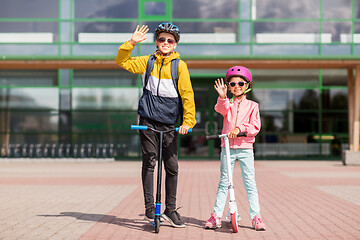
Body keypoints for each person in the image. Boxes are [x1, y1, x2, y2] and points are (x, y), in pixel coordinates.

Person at [115, 23, 196, 228]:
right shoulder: (147, 62)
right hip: (148, 121)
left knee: (172, 166)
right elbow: (122, 61)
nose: (166, 43)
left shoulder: (180, 66)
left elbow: (187, 95)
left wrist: (188, 122)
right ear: (156, 41)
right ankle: (150, 207)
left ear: (175, 43)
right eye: (162, 39)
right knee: (149, 162)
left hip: (169, 123)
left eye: (170, 40)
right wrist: (131, 42)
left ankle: (170, 209)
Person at [204, 66, 266, 231]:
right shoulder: (228, 104)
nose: (236, 86)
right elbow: (220, 109)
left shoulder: (253, 106)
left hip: (245, 148)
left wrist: (239, 130)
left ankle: (256, 216)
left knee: (249, 182)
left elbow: (255, 126)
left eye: (240, 83)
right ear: (228, 86)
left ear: (247, 85)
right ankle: (216, 215)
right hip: (228, 149)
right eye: (232, 84)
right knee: (224, 182)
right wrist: (223, 97)